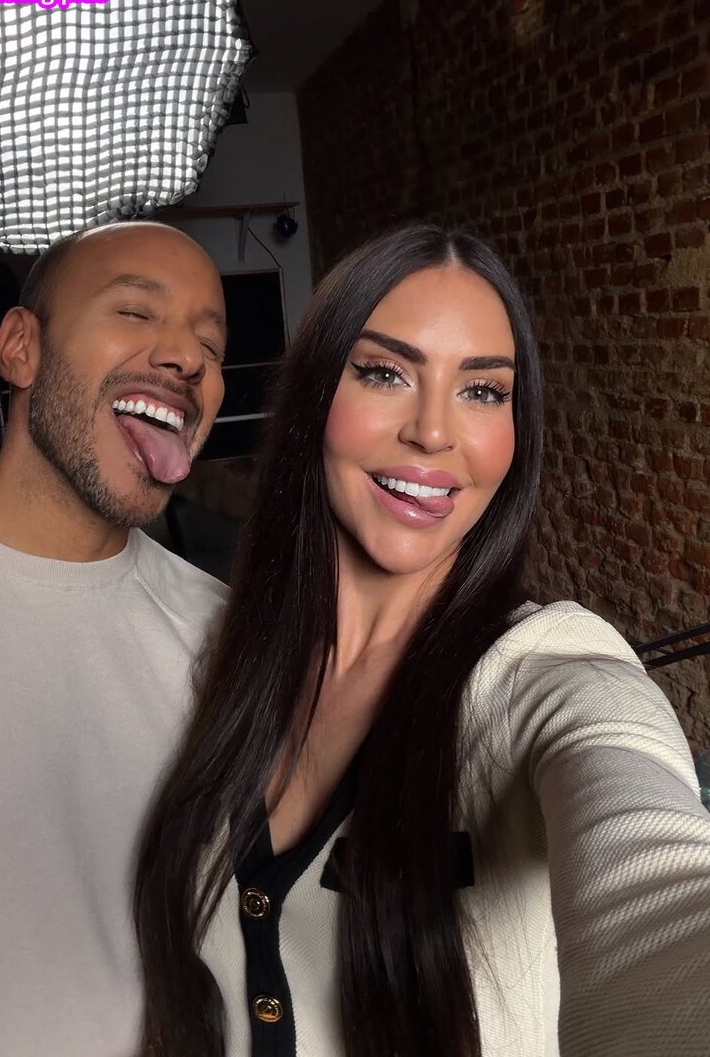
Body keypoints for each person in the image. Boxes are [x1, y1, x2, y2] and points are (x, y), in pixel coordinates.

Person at [134, 226, 710, 1057]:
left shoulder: (547, 673)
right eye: (384, 373)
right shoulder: (219, 660)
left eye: (482, 390)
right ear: (314, 395)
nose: (433, 432)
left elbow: (657, 893)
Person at [0, 222, 229, 1056]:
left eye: (210, 344)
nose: (185, 358)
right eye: (135, 311)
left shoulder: (224, 638)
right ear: (21, 347)